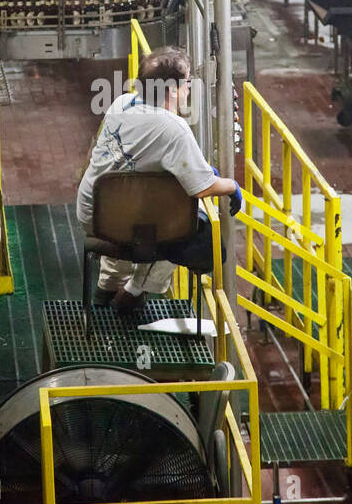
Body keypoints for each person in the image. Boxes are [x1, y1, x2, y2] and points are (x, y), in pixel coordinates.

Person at [77, 47, 241, 312]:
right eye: (187, 82)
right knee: (191, 221)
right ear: (173, 90)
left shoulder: (121, 102)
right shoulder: (174, 128)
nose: (189, 89)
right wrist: (233, 187)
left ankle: (106, 287)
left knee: (135, 194)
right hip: (126, 227)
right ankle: (132, 293)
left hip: (92, 217)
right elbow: (204, 187)